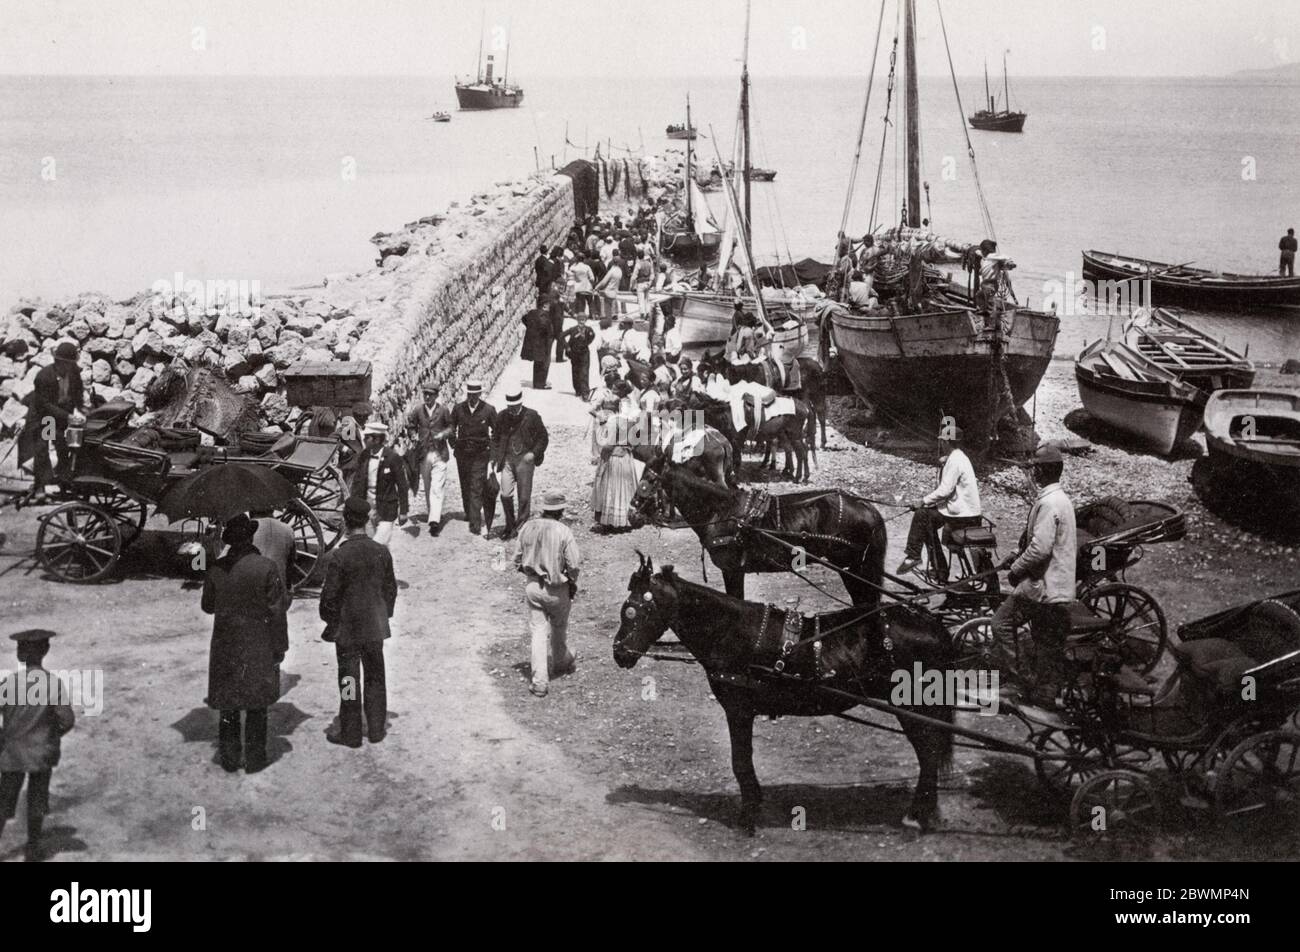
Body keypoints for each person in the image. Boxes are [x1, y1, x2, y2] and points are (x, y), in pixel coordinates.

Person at [201, 514, 289, 773]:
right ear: (251, 537)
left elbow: (207, 606)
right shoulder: (266, 567)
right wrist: (280, 647)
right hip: (258, 644)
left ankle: (229, 758)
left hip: (226, 644)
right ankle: (255, 759)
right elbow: (276, 613)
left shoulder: (216, 568)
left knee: (229, 703)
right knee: (256, 704)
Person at [992, 443, 1078, 706]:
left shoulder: (1049, 502)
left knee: (1001, 624)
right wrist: (1016, 554)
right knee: (1046, 643)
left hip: (1043, 588)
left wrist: (1016, 569)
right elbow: (1036, 541)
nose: (1032, 474)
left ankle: (1019, 681)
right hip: (1057, 587)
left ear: (1042, 471)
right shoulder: (1060, 500)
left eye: (1035, 469)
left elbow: (1040, 549)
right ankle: (1045, 694)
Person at [320, 497, 397, 746]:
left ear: (345, 521)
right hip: (375, 627)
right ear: (367, 521)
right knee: (375, 677)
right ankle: (376, 729)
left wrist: (331, 620)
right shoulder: (381, 552)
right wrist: (384, 615)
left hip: (347, 631)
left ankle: (351, 732)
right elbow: (391, 590)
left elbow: (329, 598)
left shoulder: (339, 556)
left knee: (349, 681)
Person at [0, 629, 75, 861]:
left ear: (20, 654)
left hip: (12, 753)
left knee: (4, 801)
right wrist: (50, 735)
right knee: (37, 799)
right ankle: (33, 848)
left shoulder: (9, 683)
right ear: (45, 651)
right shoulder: (52, 684)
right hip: (41, 753)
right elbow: (67, 720)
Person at [515, 492, 581, 698]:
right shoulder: (564, 531)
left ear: (544, 509)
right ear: (560, 511)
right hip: (557, 588)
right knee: (559, 627)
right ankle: (561, 661)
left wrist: (529, 570)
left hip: (533, 586)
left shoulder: (527, 527)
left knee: (537, 632)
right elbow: (574, 564)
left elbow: (517, 559)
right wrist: (571, 581)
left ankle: (540, 682)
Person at [896, 427, 983, 581]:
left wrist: (922, 501)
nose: (941, 444)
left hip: (962, 515)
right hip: (966, 511)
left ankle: (914, 555)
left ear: (946, 442)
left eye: (942, 441)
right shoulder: (958, 457)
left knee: (922, 515)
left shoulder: (955, 460)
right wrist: (946, 463)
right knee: (926, 521)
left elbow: (945, 490)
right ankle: (939, 569)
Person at [20, 341, 85, 499]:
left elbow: (78, 394)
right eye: (68, 364)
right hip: (45, 416)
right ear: (59, 362)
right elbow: (45, 405)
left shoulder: (74, 373)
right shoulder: (44, 376)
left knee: (63, 446)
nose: (71, 367)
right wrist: (68, 416)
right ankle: (40, 485)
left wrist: (81, 410)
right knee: (43, 447)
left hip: (63, 414)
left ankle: (64, 483)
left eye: (72, 364)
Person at [491, 391, 549, 539]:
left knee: (524, 497)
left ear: (521, 404)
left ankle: (521, 525)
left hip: (525, 460)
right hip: (507, 461)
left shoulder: (532, 416)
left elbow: (543, 437)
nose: (512, 409)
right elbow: (495, 438)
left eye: (515, 406)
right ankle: (510, 526)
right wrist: (494, 457)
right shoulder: (502, 416)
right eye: (510, 406)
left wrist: (533, 453)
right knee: (505, 494)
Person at [349, 420, 409, 546]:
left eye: (367, 437)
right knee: (371, 547)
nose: (364, 440)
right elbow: (357, 482)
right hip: (367, 509)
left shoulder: (392, 457)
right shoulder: (364, 456)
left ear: (376, 440)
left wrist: (403, 511)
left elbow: (402, 485)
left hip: (386, 510)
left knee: (377, 545)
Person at [450, 380, 497, 538]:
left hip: (480, 454)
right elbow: (451, 427)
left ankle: (475, 523)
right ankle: (469, 513)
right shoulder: (458, 409)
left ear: (480, 394)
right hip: (463, 453)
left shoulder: (488, 410)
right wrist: (454, 443)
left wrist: (490, 447)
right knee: (465, 484)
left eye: (475, 394)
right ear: (467, 394)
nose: (473, 397)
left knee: (476, 485)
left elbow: (497, 431)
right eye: (470, 394)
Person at [591, 392, 643, 531]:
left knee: (612, 489)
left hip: (614, 458)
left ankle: (611, 522)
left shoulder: (613, 421)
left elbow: (608, 444)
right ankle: (625, 519)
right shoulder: (631, 421)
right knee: (625, 489)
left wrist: (600, 442)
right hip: (626, 457)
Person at [410, 384, 453, 536]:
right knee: (428, 485)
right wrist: (413, 435)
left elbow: (451, 427)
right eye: (425, 394)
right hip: (423, 453)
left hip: (439, 453)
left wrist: (443, 434)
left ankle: (434, 521)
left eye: (430, 394)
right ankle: (432, 513)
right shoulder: (418, 410)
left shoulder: (443, 410)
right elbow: (411, 425)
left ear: (436, 396)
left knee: (437, 486)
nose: (427, 397)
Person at [250, 508, 298, 588]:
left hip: (251, 589)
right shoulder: (288, 530)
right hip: (277, 589)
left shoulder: (247, 528)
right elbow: (290, 564)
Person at [563, 311, 596, 400]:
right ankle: (578, 390)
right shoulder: (572, 329)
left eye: (583, 320)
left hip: (584, 353)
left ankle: (585, 392)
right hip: (574, 353)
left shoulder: (589, 329)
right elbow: (561, 336)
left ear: (586, 321)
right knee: (575, 371)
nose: (582, 322)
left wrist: (586, 343)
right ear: (577, 321)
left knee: (584, 372)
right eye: (580, 320)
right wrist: (567, 347)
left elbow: (592, 337)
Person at [521, 301, 554, 390]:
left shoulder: (532, 312)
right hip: (542, 342)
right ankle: (541, 384)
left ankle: (536, 383)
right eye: (548, 304)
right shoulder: (544, 315)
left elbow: (524, 318)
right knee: (544, 362)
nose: (549, 306)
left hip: (534, 342)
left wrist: (531, 328)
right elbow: (546, 328)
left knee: (537, 362)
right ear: (544, 305)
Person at [593, 255, 624, 320]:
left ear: (613, 261)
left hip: (608, 291)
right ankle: (614, 314)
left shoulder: (611, 271)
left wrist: (596, 287)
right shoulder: (620, 271)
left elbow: (603, 282)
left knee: (600, 297)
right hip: (615, 291)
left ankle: (602, 314)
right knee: (613, 301)